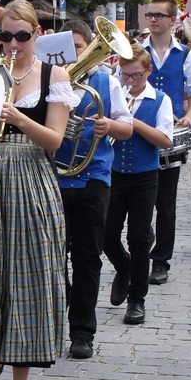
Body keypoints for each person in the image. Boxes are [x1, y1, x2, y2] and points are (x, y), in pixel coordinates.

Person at [0, 0, 72, 380]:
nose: (13, 44)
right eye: (5, 36)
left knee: (29, 278)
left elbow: (56, 142)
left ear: (37, 35)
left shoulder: (54, 75)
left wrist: (20, 118)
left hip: (32, 179)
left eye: (22, 36)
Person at [53, 20, 135, 359]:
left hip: (93, 178)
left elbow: (126, 127)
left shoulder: (106, 81)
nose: (75, 52)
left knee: (88, 258)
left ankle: (83, 332)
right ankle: (65, 305)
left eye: (80, 45)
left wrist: (109, 125)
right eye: (69, 47)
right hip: (54, 177)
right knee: (54, 258)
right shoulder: (51, 79)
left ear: (91, 46)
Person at [101, 45, 175, 327]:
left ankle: (136, 301)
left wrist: (132, 122)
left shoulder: (160, 99)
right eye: (125, 75)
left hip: (145, 176)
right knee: (106, 234)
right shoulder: (114, 94)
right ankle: (125, 266)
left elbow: (165, 140)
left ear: (148, 72)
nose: (129, 81)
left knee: (139, 238)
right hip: (114, 173)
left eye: (135, 76)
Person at [139, 0, 191, 288]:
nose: (153, 19)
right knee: (140, 199)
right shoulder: (137, 51)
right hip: (138, 133)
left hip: (169, 137)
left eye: (159, 15)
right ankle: (144, 240)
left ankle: (161, 260)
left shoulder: (186, 54)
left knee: (165, 203)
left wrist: (189, 115)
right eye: (150, 14)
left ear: (172, 20)